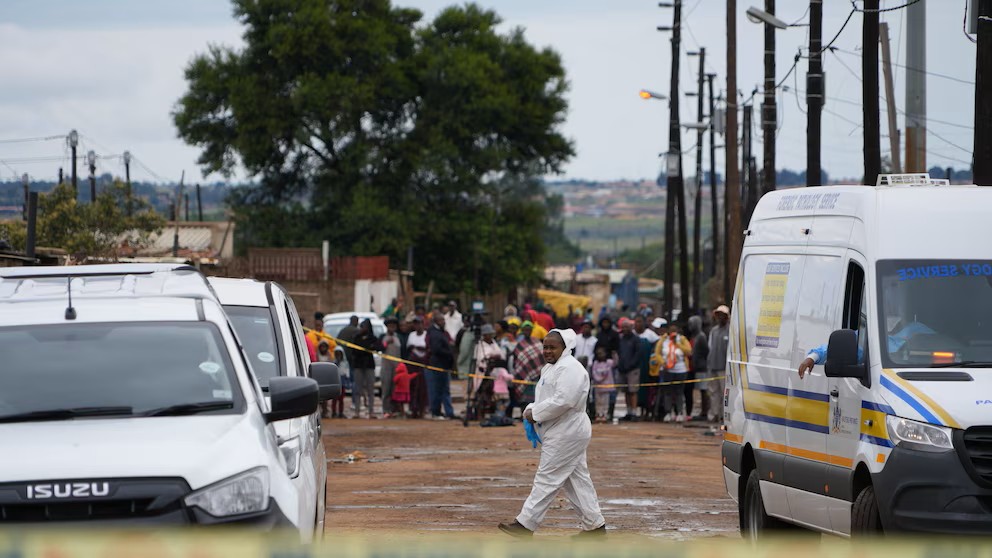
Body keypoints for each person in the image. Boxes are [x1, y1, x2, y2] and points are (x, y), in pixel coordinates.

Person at [498, 329, 607, 539]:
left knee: (547, 477)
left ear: (564, 348)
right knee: (577, 481)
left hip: (568, 431)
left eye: (552, 347)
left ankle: (525, 524)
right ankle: (595, 528)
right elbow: (547, 398)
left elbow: (563, 401)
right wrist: (531, 408)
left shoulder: (571, 368)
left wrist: (534, 413)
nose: (547, 351)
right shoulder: (550, 368)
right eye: (545, 347)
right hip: (560, 430)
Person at [797, 320, 936, 378]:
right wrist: (812, 358)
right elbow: (834, 348)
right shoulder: (869, 338)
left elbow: (940, 343)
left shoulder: (916, 329)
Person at [655, 323, 692, 422]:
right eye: (671, 330)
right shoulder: (663, 340)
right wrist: (662, 363)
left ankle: (679, 412)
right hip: (667, 369)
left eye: (674, 330)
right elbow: (657, 353)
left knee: (679, 392)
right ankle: (668, 412)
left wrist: (677, 344)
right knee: (667, 392)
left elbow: (688, 351)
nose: (673, 332)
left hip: (680, 369)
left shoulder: (682, 339)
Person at [510, 322, 544, 418]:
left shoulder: (537, 341)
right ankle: (525, 416)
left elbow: (542, 357)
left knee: (538, 396)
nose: (527, 331)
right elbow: (517, 361)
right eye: (525, 329)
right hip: (525, 375)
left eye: (529, 329)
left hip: (539, 375)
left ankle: (537, 416)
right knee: (526, 398)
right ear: (522, 330)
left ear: (531, 330)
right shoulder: (519, 345)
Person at [428, 313, 456, 420]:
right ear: (436, 321)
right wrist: (449, 353)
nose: (443, 322)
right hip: (439, 364)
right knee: (438, 389)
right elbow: (436, 349)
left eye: (444, 320)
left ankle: (449, 412)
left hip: (444, 364)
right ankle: (436, 411)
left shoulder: (441, 332)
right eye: (441, 320)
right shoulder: (435, 333)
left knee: (445, 389)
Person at [351, 319, 379, 419]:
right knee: (358, 389)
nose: (362, 329)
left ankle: (371, 411)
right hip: (358, 365)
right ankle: (357, 411)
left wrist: (367, 347)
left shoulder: (372, 338)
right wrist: (367, 347)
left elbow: (377, 347)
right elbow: (354, 350)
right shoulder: (356, 337)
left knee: (371, 389)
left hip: (369, 365)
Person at [617, 319, 645, 421]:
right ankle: (628, 411)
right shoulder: (621, 339)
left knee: (633, 391)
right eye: (623, 327)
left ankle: (634, 412)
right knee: (626, 391)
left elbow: (638, 354)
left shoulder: (636, 339)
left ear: (631, 328)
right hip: (622, 369)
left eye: (627, 327)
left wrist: (631, 365)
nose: (625, 329)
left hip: (633, 369)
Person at [706, 306, 731, 422]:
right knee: (713, 392)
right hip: (713, 366)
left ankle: (723, 415)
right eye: (718, 315)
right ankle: (714, 414)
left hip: (724, 368)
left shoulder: (730, 331)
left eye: (722, 315)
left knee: (724, 392)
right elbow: (710, 347)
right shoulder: (714, 331)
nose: (720, 318)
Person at [406, 316, 430, 419]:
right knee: (413, 386)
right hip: (413, 364)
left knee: (423, 387)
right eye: (415, 324)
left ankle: (423, 409)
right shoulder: (411, 335)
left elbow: (427, 348)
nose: (418, 326)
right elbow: (409, 348)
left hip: (424, 363)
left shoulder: (426, 335)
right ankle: (413, 408)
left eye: (419, 323)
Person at [687, 315, 710, 420]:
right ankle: (702, 411)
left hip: (702, 367)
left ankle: (705, 412)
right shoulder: (694, 336)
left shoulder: (701, 336)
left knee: (703, 389)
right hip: (696, 367)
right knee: (700, 389)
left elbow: (706, 351)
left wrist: (701, 361)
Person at [379, 317, 403, 419]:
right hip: (386, 366)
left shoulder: (399, 337)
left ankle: (394, 410)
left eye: (394, 326)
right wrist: (386, 343)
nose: (392, 328)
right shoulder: (382, 337)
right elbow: (379, 348)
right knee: (386, 389)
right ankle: (386, 410)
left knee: (395, 389)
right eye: (390, 326)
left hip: (397, 367)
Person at [590, 346, 615, 424]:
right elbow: (594, 373)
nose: (600, 355)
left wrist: (614, 355)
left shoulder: (609, 362)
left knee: (605, 401)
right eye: (598, 354)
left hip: (606, 386)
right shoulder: (595, 363)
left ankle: (604, 414)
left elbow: (615, 363)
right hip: (598, 386)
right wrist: (599, 379)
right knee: (598, 401)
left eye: (601, 353)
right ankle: (599, 414)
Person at [315, 339, 335, 418]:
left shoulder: (330, 355)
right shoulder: (316, 355)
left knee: (325, 396)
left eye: (325, 346)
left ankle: (325, 411)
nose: (323, 348)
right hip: (318, 377)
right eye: (322, 346)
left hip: (326, 377)